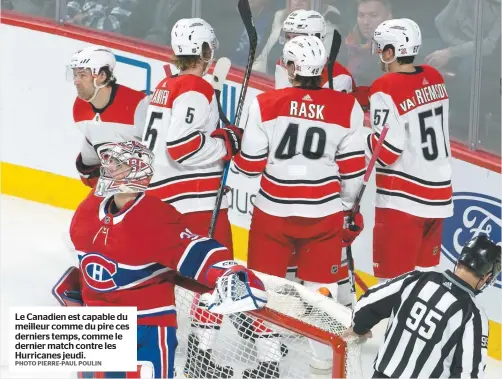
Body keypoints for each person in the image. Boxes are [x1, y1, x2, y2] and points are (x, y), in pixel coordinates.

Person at [52, 141, 266, 379]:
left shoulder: (151, 217)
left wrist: (228, 274)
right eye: (109, 163)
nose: (109, 168)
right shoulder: (89, 210)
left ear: (138, 173)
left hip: (145, 328)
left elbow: (195, 251)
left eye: (118, 164)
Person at [233, 35, 366, 377]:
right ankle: (324, 362)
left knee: (264, 285)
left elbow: (249, 166)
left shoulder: (264, 103)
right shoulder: (347, 108)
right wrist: (349, 210)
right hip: (323, 214)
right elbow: (352, 171)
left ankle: (268, 362)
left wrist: (234, 141)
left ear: (291, 67)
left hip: (273, 213)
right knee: (320, 293)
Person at [142, 18, 243, 378]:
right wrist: (225, 143)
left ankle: (163, 345)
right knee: (216, 275)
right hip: (194, 200)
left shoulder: (164, 85)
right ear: (204, 50)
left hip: (162, 197)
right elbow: (182, 146)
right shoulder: (195, 87)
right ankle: (201, 355)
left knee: (168, 275)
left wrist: (219, 131)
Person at [344, 235, 501, 378]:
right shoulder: (474, 315)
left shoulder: (416, 279)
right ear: (486, 277)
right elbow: (469, 374)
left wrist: (359, 327)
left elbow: (367, 303)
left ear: (459, 260)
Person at [367, 18, 453, 280]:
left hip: (403, 203)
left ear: (391, 52)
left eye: (381, 47)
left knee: (390, 289)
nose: (378, 54)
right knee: (422, 286)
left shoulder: (385, 87)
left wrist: (361, 140)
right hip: (439, 199)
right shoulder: (434, 76)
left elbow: (386, 154)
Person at [68, 45, 149, 188]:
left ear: (102, 76)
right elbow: (89, 168)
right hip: (119, 186)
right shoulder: (80, 109)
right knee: (85, 211)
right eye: (75, 75)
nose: (76, 81)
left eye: (82, 75)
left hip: (150, 187)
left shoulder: (139, 105)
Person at [274, 9, 355, 92]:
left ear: (317, 39)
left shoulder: (340, 77)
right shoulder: (283, 64)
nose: (290, 44)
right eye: (288, 37)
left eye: (297, 38)